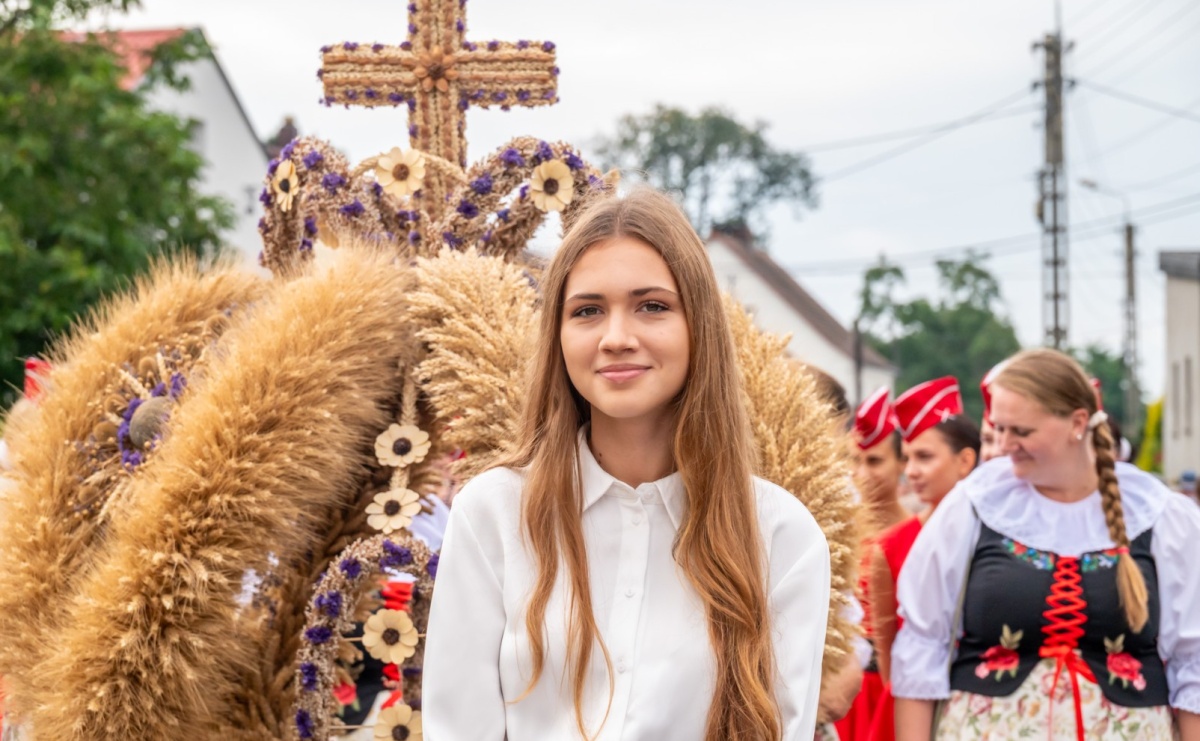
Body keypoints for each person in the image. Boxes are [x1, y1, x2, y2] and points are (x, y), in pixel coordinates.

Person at [422, 188, 831, 740]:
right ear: (559, 336)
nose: (617, 337)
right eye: (588, 310)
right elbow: (459, 729)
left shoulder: (779, 535)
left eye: (652, 306)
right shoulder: (494, 515)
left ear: (699, 327)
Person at [892, 348, 1200, 741]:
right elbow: (922, 644)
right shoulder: (975, 504)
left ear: (1077, 423)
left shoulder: (1158, 514)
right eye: (999, 429)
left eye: (1021, 431)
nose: (1004, 445)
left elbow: (1193, 663)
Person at [866, 377, 980, 741]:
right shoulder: (891, 546)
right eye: (908, 457)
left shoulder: (997, 539)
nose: (911, 470)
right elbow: (887, 657)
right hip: (908, 716)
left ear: (965, 460)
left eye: (925, 457)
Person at [835, 387, 908, 741]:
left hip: (892, 695)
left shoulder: (921, 537)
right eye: (854, 459)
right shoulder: (834, 534)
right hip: (842, 698)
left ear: (903, 462)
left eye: (875, 461)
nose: (861, 473)